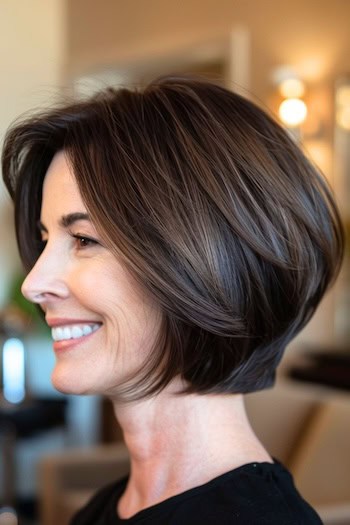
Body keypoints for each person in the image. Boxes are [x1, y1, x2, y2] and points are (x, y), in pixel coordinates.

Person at [2, 76, 344, 524]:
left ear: (204, 265)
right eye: (46, 239)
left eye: (83, 239)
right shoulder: (107, 509)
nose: (33, 284)